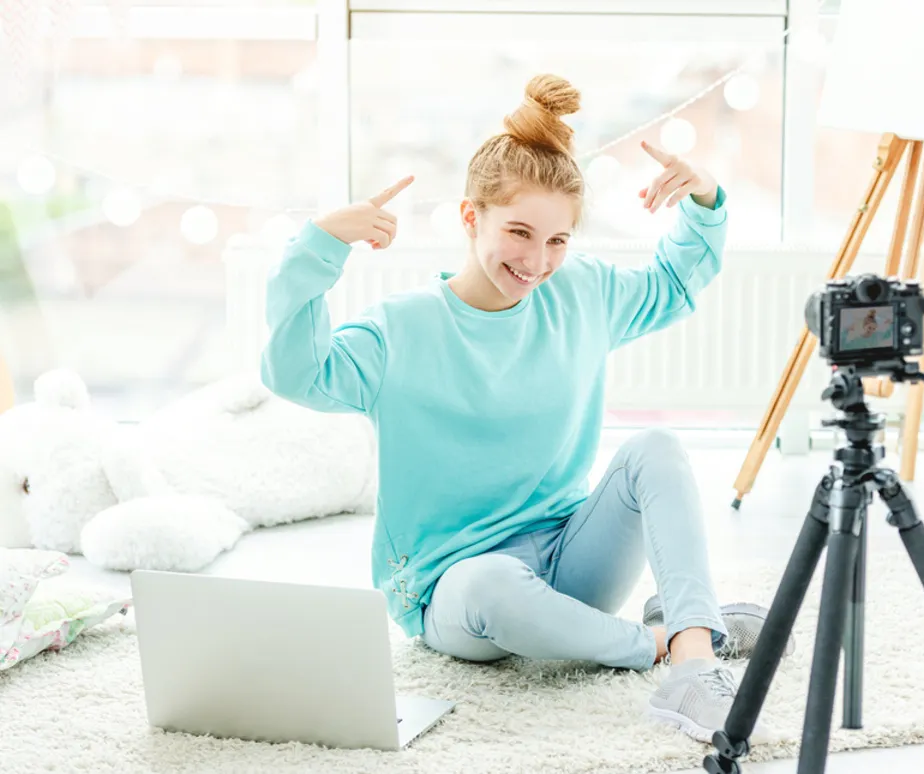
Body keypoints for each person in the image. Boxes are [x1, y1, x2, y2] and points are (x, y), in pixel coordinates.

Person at [260, 74, 788, 743]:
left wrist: (706, 201)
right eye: (519, 232)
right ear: (469, 216)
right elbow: (295, 373)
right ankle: (665, 636)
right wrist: (318, 247)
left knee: (656, 448)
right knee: (491, 585)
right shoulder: (401, 331)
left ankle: (693, 659)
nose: (538, 261)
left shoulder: (581, 292)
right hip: (453, 587)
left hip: (571, 561)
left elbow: (674, 285)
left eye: (558, 240)